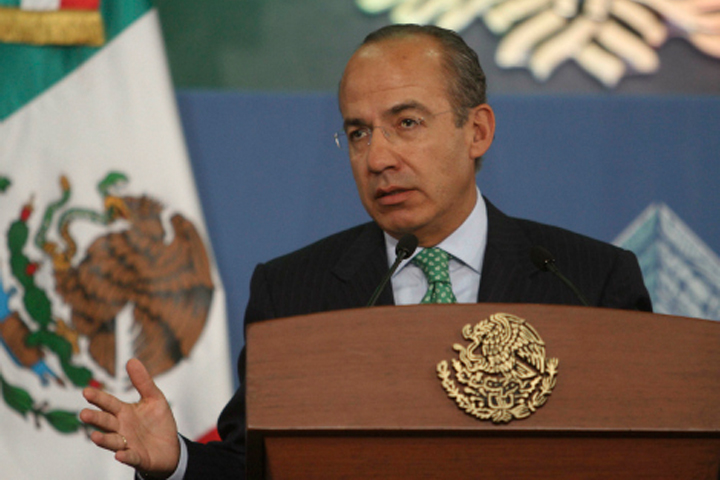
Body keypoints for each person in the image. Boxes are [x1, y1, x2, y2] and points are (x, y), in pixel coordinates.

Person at [80, 24, 652, 479]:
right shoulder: (294, 294)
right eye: (358, 133)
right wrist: (178, 461)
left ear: (476, 131)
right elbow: (254, 466)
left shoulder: (589, 281)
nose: (377, 159)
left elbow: (648, 452)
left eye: (407, 123)